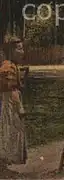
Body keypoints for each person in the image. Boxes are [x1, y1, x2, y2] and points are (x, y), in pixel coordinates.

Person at [0, 37, 27, 175]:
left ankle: (4, 166)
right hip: (9, 103)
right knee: (9, 131)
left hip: (7, 101)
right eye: (19, 48)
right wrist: (20, 107)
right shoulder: (8, 67)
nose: (22, 51)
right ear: (11, 51)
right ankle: (3, 166)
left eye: (22, 48)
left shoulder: (11, 65)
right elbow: (12, 90)